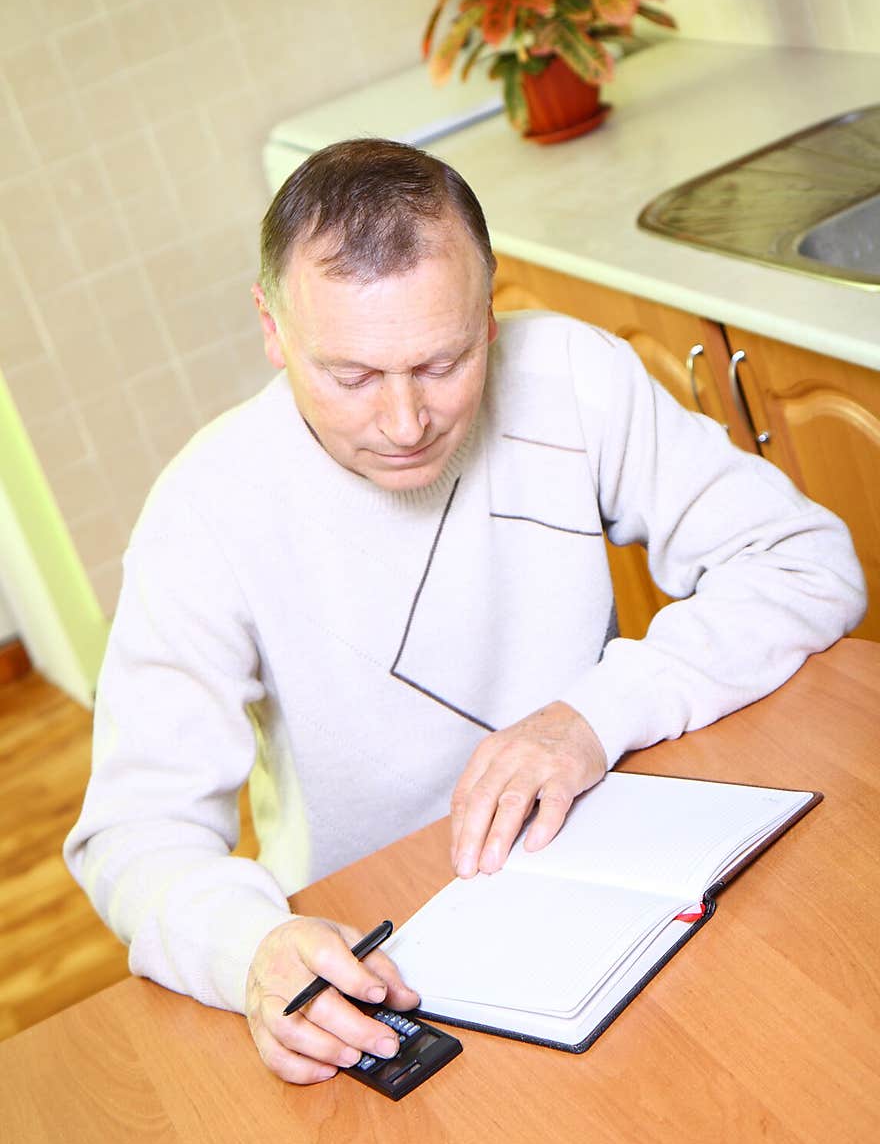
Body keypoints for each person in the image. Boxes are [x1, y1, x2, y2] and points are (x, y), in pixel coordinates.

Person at [64, 137, 866, 1086]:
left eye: (442, 363)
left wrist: (593, 716)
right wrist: (248, 951)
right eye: (352, 377)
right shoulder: (204, 510)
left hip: (615, 854)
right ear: (271, 328)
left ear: (491, 313)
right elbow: (132, 832)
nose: (405, 425)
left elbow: (806, 561)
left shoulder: (570, 374)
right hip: (383, 959)